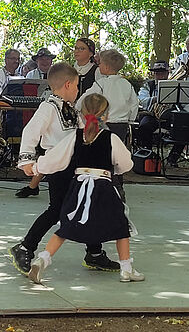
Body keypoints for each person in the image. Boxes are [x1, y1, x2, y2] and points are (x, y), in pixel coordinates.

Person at [10, 62, 119, 275]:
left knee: (88, 206)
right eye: (77, 85)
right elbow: (30, 132)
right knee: (57, 211)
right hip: (58, 167)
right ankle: (24, 247)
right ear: (68, 85)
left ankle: (94, 253)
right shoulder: (48, 107)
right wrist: (27, 161)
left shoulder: (70, 108)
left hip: (75, 166)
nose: (78, 90)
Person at [27, 94, 144, 284]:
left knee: (66, 226)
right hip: (103, 187)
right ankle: (126, 269)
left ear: (81, 114)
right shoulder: (110, 138)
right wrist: (116, 170)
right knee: (121, 227)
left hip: (79, 187)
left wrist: (35, 168)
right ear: (105, 116)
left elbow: (56, 159)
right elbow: (125, 163)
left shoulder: (75, 137)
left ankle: (42, 259)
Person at [77, 49, 139, 143]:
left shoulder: (101, 83)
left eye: (100, 63)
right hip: (122, 125)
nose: (99, 65)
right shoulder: (127, 84)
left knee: (105, 146)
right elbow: (134, 104)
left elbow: (86, 97)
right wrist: (130, 120)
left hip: (105, 123)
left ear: (106, 67)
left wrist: (76, 108)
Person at [135, 60, 170, 148]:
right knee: (144, 127)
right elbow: (142, 100)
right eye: (157, 73)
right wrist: (157, 99)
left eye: (163, 73)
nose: (160, 76)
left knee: (184, 125)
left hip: (169, 116)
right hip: (152, 116)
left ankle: (173, 157)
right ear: (154, 74)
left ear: (167, 73)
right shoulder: (148, 85)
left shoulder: (174, 85)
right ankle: (148, 153)